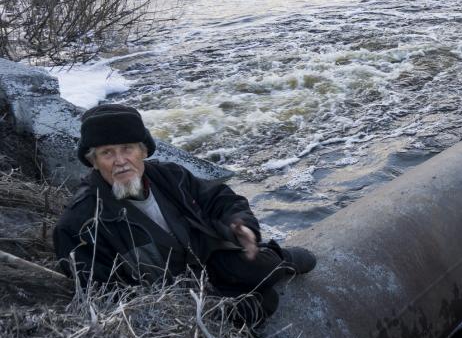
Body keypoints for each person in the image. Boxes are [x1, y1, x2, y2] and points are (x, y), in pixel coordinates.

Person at [54, 104, 316, 321]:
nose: (120, 161)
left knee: (257, 269)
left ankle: (281, 260)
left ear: (143, 151)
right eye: (107, 153)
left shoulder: (170, 175)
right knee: (262, 303)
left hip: (205, 262)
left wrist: (240, 224)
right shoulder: (79, 225)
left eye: (127, 149)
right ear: (93, 161)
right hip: (168, 297)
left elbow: (220, 199)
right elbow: (103, 296)